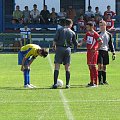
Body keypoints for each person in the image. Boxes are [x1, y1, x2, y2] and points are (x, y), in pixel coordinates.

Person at [52, 19, 78, 89]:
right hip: (68, 49)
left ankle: (55, 84)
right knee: (67, 67)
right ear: (71, 24)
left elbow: (55, 40)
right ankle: (67, 84)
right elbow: (75, 43)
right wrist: (75, 48)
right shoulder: (72, 32)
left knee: (57, 66)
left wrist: (53, 46)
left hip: (59, 48)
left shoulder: (60, 30)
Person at [80, 22, 103, 87]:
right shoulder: (88, 34)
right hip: (89, 51)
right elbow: (84, 39)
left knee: (93, 66)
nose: (86, 28)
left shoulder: (95, 34)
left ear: (91, 27)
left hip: (93, 52)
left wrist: (96, 49)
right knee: (90, 66)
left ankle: (96, 82)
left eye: (87, 27)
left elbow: (101, 42)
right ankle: (91, 81)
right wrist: (80, 43)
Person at [98, 20, 115, 85]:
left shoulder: (109, 34)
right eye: (100, 25)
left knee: (104, 67)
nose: (101, 27)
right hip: (99, 51)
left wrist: (113, 52)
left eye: (102, 25)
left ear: (105, 25)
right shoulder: (98, 34)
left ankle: (104, 80)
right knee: (100, 66)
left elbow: (110, 44)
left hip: (105, 51)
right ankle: (100, 81)